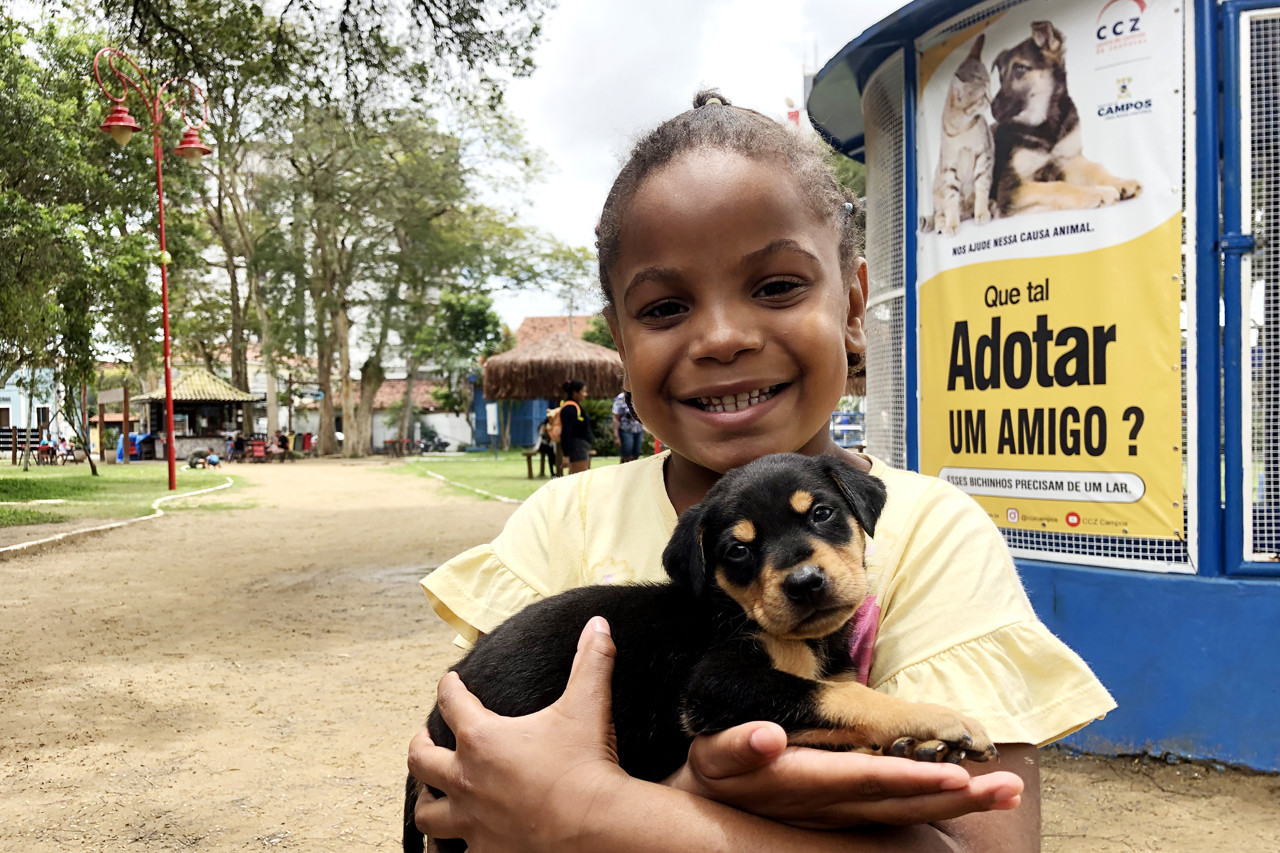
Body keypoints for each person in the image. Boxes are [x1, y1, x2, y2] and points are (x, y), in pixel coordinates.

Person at [408, 91, 1115, 851]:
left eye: (776, 286)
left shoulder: (935, 534)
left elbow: (981, 844)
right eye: (665, 307)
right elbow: (466, 785)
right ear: (618, 339)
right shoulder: (560, 522)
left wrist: (594, 815)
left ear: (852, 304)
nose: (722, 338)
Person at [558, 379, 592, 474]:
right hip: (577, 447)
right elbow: (566, 432)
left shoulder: (575, 406)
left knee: (582, 477)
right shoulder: (570, 408)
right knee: (579, 477)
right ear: (575, 393)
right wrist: (566, 455)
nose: (585, 394)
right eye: (583, 391)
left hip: (581, 447)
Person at [612, 390, 645, 463]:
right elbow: (615, 418)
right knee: (626, 455)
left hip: (638, 430)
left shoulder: (639, 396)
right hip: (626, 430)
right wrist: (616, 436)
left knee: (636, 454)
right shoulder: (621, 398)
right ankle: (622, 472)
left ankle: (632, 472)